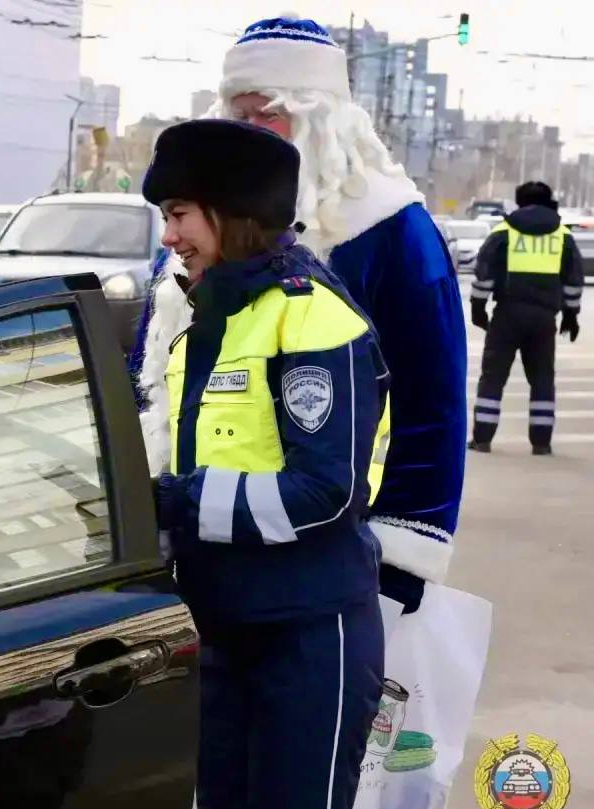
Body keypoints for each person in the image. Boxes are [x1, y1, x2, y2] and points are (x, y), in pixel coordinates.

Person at [142, 119, 388, 809]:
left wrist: (175, 503)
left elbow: (324, 492)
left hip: (307, 636)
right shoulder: (208, 320)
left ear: (231, 213)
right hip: (222, 629)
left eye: (180, 214)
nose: (169, 237)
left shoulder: (310, 317)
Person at [211, 15, 465, 613]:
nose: (248, 134)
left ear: (320, 119)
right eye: (237, 115)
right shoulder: (203, 224)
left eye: (267, 115)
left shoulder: (389, 227)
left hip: (337, 546)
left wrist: (402, 556)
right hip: (210, 535)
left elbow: (433, 404)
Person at [469, 181, 583, 454]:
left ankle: (482, 439)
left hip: (507, 316)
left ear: (519, 202)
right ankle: (541, 443)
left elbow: (484, 273)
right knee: (542, 379)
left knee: (493, 378)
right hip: (544, 319)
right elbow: (573, 280)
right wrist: (571, 315)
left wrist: (478, 308)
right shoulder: (562, 236)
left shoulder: (503, 232)